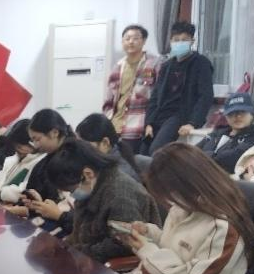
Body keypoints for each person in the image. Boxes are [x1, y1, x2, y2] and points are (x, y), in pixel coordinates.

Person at [120, 143, 254, 274]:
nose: (169, 199)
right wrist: (148, 233)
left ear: (188, 185)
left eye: (171, 192)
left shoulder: (222, 227)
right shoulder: (183, 206)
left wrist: (146, 249)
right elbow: (174, 247)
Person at [44, 139, 161, 262]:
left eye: (71, 190)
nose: (71, 194)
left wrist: (77, 253)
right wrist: (65, 246)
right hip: (89, 257)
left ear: (88, 174)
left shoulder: (121, 196)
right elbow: (79, 230)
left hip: (113, 265)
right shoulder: (93, 185)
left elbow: (123, 245)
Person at [141, 21, 214, 154]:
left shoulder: (201, 63)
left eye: (184, 40)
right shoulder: (166, 66)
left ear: (192, 41)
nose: (180, 43)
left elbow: (206, 96)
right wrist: (149, 122)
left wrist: (193, 122)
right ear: (170, 41)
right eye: (176, 40)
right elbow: (155, 96)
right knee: (142, 151)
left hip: (180, 116)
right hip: (160, 115)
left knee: (157, 151)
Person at [102, 24, 161, 153]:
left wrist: (152, 123)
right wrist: (107, 120)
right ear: (122, 42)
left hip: (138, 126)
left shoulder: (154, 63)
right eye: (127, 38)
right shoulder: (117, 66)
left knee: (134, 162)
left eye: (135, 38)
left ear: (144, 41)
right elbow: (109, 99)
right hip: (114, 127)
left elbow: (159, 97)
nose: (131, 42)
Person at [18, 108, 75, 224]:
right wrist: (36, 204)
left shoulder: (76, 158)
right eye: (33, 140)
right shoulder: (43, 163)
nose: (35, 145)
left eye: (37, 139)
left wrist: (57, 214)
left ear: (54, 133)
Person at [197, 92, 254, 174]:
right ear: (226, 116)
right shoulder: (217, 132)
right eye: (232, 113)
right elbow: (193, 151)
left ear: (252, 113)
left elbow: (232, 159)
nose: (237, 116)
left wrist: (205, 156)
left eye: (242, 112)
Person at [0, 120, 43, 203]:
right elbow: (0, 177)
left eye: (21, 146)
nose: (18, 149)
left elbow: (25, 191)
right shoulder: (12, 160)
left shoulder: (39, 164)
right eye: (16, 146)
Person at [75, 113, 141, 180]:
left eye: (85, 146)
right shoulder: (107, 161)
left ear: (105, 143)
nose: (80, 151)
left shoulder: (119, 174)